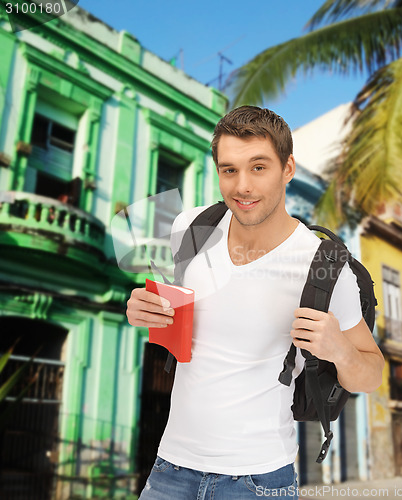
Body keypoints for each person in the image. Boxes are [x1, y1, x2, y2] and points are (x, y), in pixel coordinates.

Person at [126, 106, 384, 499]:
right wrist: (141, 308)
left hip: (257, 481)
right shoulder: (190, 229)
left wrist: (340, 350)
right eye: (229, 170)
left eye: (258, 167)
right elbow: (168, 308)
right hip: (169, 471)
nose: (242, 186)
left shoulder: (325, 268)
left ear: (288, 168)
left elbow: (372, 373)